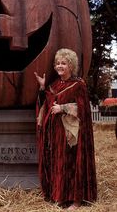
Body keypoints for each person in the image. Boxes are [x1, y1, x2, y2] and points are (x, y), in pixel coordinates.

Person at [34, 48, 97, 210]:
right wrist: (42, 88)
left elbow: (83, 109)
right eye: (57, 63)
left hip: (73, 134)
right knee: (59, 163)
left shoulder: (78, 84)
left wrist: (63, 108)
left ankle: (76, 200)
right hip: (56, 133)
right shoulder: (54, 85)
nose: (59, 66)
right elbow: (46, 104)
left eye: (63, 63)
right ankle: (61, 196)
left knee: (72, 164)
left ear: (71, 65)